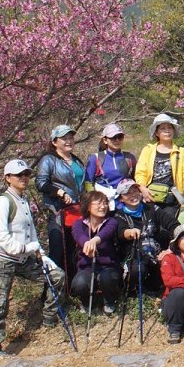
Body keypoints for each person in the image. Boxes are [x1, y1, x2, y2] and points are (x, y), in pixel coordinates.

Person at [0, 160, 67, 354]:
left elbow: (31, 232)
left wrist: (41, 255)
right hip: (4, 259)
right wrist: (25, 248)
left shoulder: (24, 200)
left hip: (25, 257)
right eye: (19, 175)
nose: (24, 178)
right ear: (7, 178)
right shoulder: (4, 201)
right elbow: (1, 236)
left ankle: (49, 320)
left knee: (56, 276)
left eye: (26, 174)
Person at [35, 124, 85, 279]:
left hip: (77, 212)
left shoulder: (76, 161)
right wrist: (59, 192)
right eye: (64, 138)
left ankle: (71, 288)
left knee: (73, 250)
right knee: (58, 251)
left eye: (71, 137)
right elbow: (41, 183)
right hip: (58, 211)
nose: (69, 141)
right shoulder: (49, 160)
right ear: (55, 142)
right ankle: (51, 293)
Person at [114, 179, 179, 296]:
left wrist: (171, 248)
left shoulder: (152, 208)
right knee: (137, 270)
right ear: (121, 199)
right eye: (127, 193)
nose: (133, 195)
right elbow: (121, 232)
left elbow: (173, 224)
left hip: (156, 253)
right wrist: (129, 232)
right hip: (134, 256)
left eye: (135, 190)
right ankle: (132, 289)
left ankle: (152, 286)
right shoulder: (119, 215)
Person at [70, 190, 122, 314]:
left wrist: (94, 241)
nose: (103, 206)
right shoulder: (79, 223)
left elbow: (107, 233)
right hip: (86, 267)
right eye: (98, 203)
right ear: (88, 206)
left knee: (107, 278)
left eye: (105, 203)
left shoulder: (111, 221)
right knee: (79, 284)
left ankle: (109, 300)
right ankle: (88, 302)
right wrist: (86, 243)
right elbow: (78, 235)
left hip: (108, 266)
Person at [135, 113, 184, 216]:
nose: (167, 131)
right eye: (163, 128)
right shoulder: (148, 150)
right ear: (156, 133)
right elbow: (141, 172)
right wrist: (142, 188)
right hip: (151, 196)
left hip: (172, 199)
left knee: (168, 229)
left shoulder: (181, 152)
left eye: (170, 128)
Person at [83, 122, 137, 210]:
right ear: (105, 140)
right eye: (113, 137)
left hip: (124, 204)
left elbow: (135, 179)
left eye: (120, 137)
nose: (117, 140)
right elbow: (88, 183)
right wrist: (94, 201)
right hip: (103, 205)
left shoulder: (129, 158)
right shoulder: (95, 158)